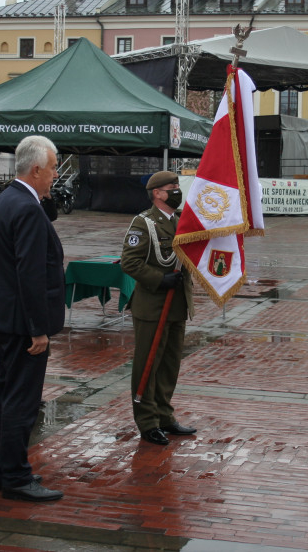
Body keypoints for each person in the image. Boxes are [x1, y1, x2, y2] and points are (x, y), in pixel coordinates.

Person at [0, 135, 65, 502]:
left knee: (4, 396)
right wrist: (38, 329)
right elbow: (30, 273)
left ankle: (3, 470)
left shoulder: (7, 199)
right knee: (21, 401)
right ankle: (15, 475)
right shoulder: (26, 208)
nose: (55, 176)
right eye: (52, 169)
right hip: (23, 323)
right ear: (35, 169)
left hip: (5, 316)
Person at [121, 170, 196, 447]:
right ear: (157, 193)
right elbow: (129, 262)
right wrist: (159, 279)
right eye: (171, 187)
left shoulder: (180, 222)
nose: (177, 190)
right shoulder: (144, 223)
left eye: (177, 185)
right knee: (148, 365)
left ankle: (165, 415)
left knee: (169, 364)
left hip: (177, 304)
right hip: (153, 305)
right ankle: (148, 421)